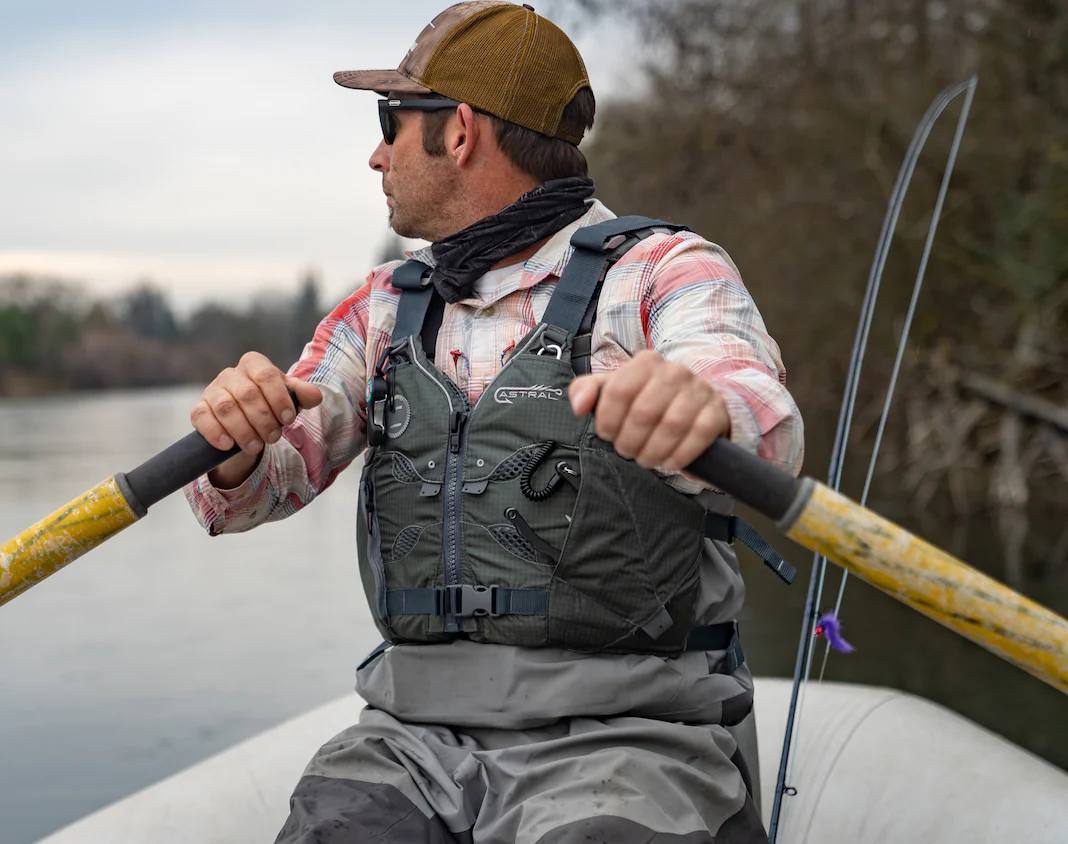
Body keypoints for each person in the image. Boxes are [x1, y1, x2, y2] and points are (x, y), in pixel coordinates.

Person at [184, 2, 804, 841]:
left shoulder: (664, 273)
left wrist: (702, 412)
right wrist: (237, 443)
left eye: (391, 122)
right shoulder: (379, 311)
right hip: (412, 739)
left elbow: (762, 423)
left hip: (632, 735)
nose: (376, 153)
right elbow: (250, 495)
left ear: (461, 131)